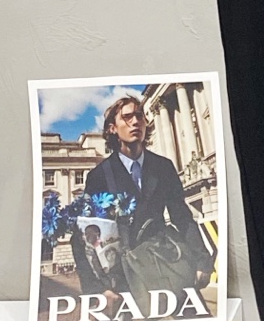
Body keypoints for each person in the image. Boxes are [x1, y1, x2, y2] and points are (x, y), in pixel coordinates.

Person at [85, 94, 213, 291]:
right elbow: (87, 235)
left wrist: (202, 261)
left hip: (165, 263)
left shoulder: (163, 167)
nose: (136, 121)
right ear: (112, 128)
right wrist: (98, 289)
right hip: (124, 276)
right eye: (127, 117)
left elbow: (182, 216)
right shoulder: (99, 176)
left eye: (139, 116)